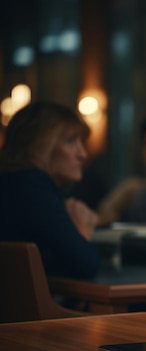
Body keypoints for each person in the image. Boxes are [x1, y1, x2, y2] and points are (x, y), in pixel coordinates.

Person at [0, 101, 100, 279]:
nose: (82, 154)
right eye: (70, 141)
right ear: (38, 145)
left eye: (81, 142)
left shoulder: (13, 184)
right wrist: (81, 228)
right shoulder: (32, 186)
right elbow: (87, 264)